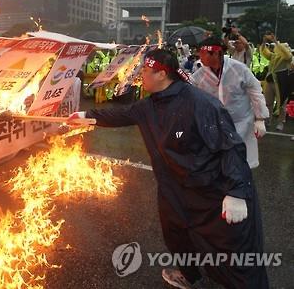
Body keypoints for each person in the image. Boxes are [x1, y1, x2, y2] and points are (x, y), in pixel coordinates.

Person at [68, 49, 268, 289]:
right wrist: (85, 115)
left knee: (230, 255)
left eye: (145, 71)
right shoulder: (149, 105)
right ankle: (188, 274)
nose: (140, 75)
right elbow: (120, 114)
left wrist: (236, 192)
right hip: (175, 190)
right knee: (177, 236)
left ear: (161, 74)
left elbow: (231, 147)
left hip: (211, 192)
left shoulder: (200, 104)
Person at [191, 36, 269, 169]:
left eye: (203, 54)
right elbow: (188, 90)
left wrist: (260, 118)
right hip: (215, 124)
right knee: (218, 163)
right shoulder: (200, 74)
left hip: (241, 122)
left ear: (216, 53)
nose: (200, 58)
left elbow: (255, 91)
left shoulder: (238, 69)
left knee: (239, 162)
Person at [259, 33, 292, 131]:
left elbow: (287, 55)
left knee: (281, 103)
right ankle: (268, 120)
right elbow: (264, 52)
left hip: (281, 82)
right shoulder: (273, 56)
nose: (276, 49)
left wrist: (275, 41)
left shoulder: (287, 58)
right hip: (270, 82)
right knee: (268, 102)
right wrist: (264, 42)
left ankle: (281, 122)